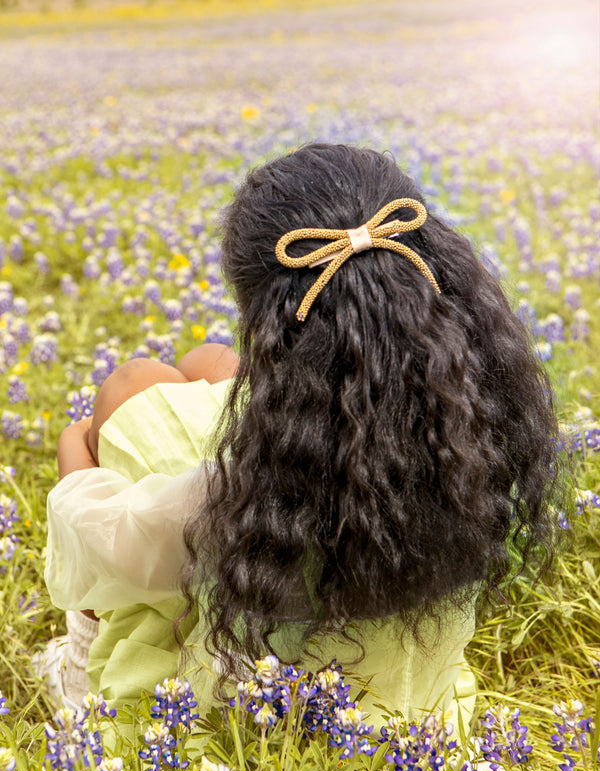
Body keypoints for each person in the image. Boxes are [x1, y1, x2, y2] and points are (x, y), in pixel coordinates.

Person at [38, 143, 565, 730]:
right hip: (417, 708)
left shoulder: (245, 502)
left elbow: (103, 545)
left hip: (260, 712)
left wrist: (75, 455)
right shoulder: (477, 443)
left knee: (127, 391)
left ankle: (78, 670)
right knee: (211, 361)